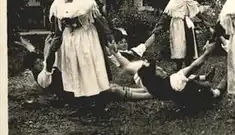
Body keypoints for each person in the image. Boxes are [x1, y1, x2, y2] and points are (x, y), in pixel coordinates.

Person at [45, 0, 117, 112]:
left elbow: (100, 21)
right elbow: (58, 27)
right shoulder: (58, 4)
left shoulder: (85, 1)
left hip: (85, 37)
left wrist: (110, 38)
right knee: (73, 68)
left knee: (88, 67)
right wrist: (55, 45)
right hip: (68, 39)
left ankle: (98, 102)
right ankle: (79, 102)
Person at [17, 36, 152, 104]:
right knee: (113, 90)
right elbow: (48, 59)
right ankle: (149, 95)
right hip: (72, 96)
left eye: (39, 60)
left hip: (77, 87)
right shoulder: (42, 77)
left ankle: (148, 90)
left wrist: (24, 42)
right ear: (32, 68)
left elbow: (36, 52)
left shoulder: (42, 68)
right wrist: (50, 46)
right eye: (36, 63)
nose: (40, 62)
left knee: (112, 86)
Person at [113, 40, 227, 112]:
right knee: (213, 91)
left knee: (190, 82)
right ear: (157, 74)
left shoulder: (152, 88)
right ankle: (225, 79)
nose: (161, 68)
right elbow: (195, 65)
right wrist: (207, 52)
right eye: (158, 68)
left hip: (186, 103)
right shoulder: (174, 80)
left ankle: (209, 81)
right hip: (200, 97)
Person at [152, 0, 212, 71]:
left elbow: (196, 11)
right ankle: (179, 67)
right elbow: (166, 14)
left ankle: (187, 67)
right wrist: (159, 26)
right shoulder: (173, 1)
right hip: (175, 24)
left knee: (186, 44)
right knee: (177, 45)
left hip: (184, 23)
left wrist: (205, 21)